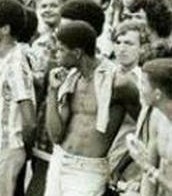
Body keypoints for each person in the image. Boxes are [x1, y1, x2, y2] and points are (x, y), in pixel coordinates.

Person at [45, 20, 141, 196]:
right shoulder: (70, 79)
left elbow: (145, 129)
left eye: (61, 50)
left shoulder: (119, 83)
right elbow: (56, 135)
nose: (56, 55)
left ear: (77, 53)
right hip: (59, 159)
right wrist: (52, 90)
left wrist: (121, 165)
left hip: (88, 170)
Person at [0, 0, 36, 196]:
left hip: (6, 149)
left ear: (5, 29)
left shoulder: (16, 64)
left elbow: (29, 120)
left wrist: (19, 149)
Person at [127, 58, 172, 195]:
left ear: (157, 94)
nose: (139, 88)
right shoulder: (157, 116)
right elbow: (149, 168)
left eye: (143, 84)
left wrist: (146, 167)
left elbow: (148, 168)